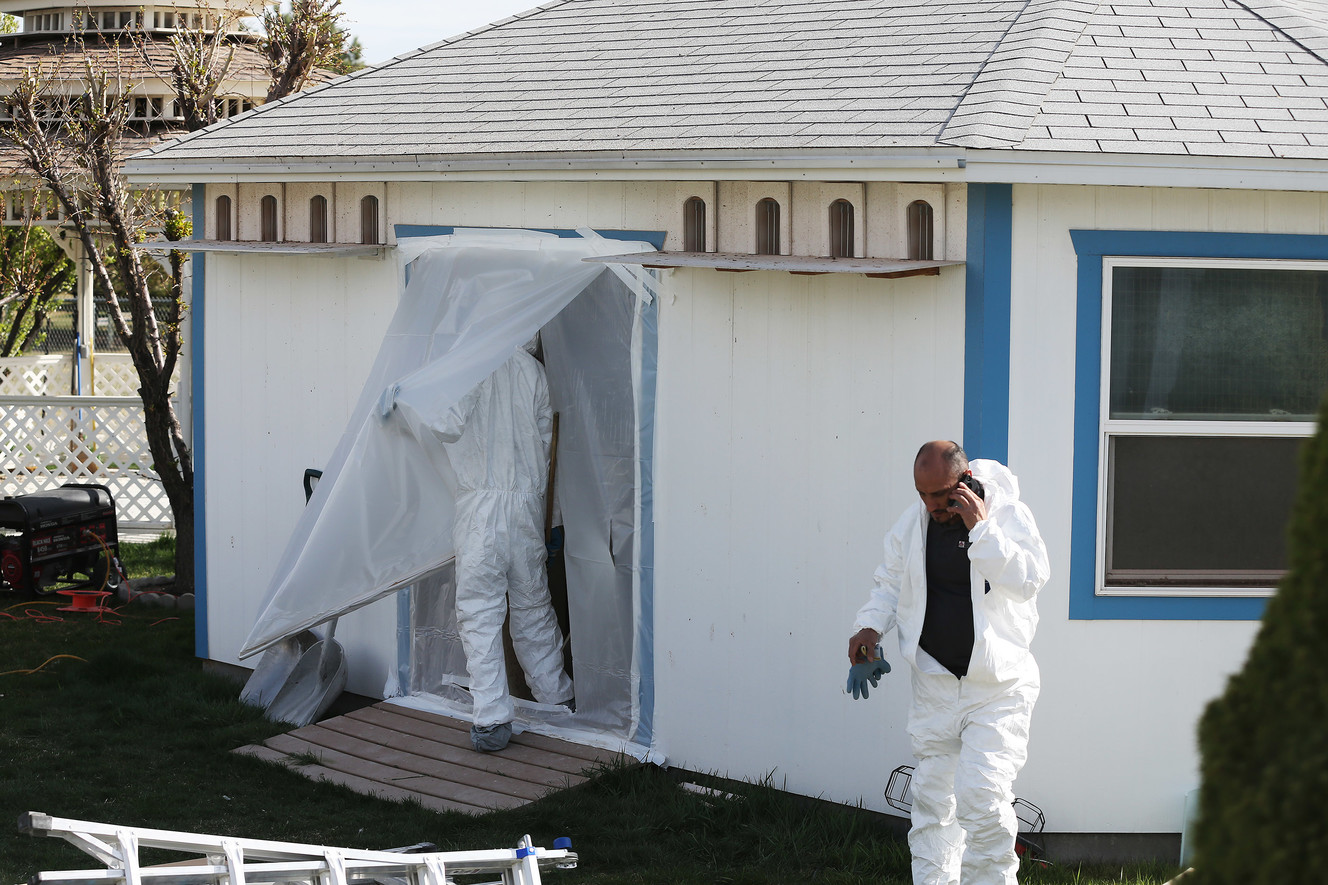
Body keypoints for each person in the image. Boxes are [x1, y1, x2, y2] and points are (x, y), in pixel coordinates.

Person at [848, 440, 1048, 885]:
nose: (932, 505)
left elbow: (1029, 580)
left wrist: (981, 529)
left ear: (965, 481)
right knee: (933, 806)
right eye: (923, 494)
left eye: (941, 494)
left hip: (997, 689)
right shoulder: (913, 524)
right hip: (935, 685)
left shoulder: (1007, 516)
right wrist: (868, 629)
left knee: (981, 797)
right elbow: (889, 583)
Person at [438, 337, 575, 753]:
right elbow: (547, 452)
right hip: (526, 512)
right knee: (533, 609)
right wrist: (550, 520)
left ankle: (492, 718)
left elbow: (445, 423)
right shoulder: (534, 373)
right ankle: (559, 698)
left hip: (481, 511)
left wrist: (409, 395)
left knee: (480, 613)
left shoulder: (469, 367)